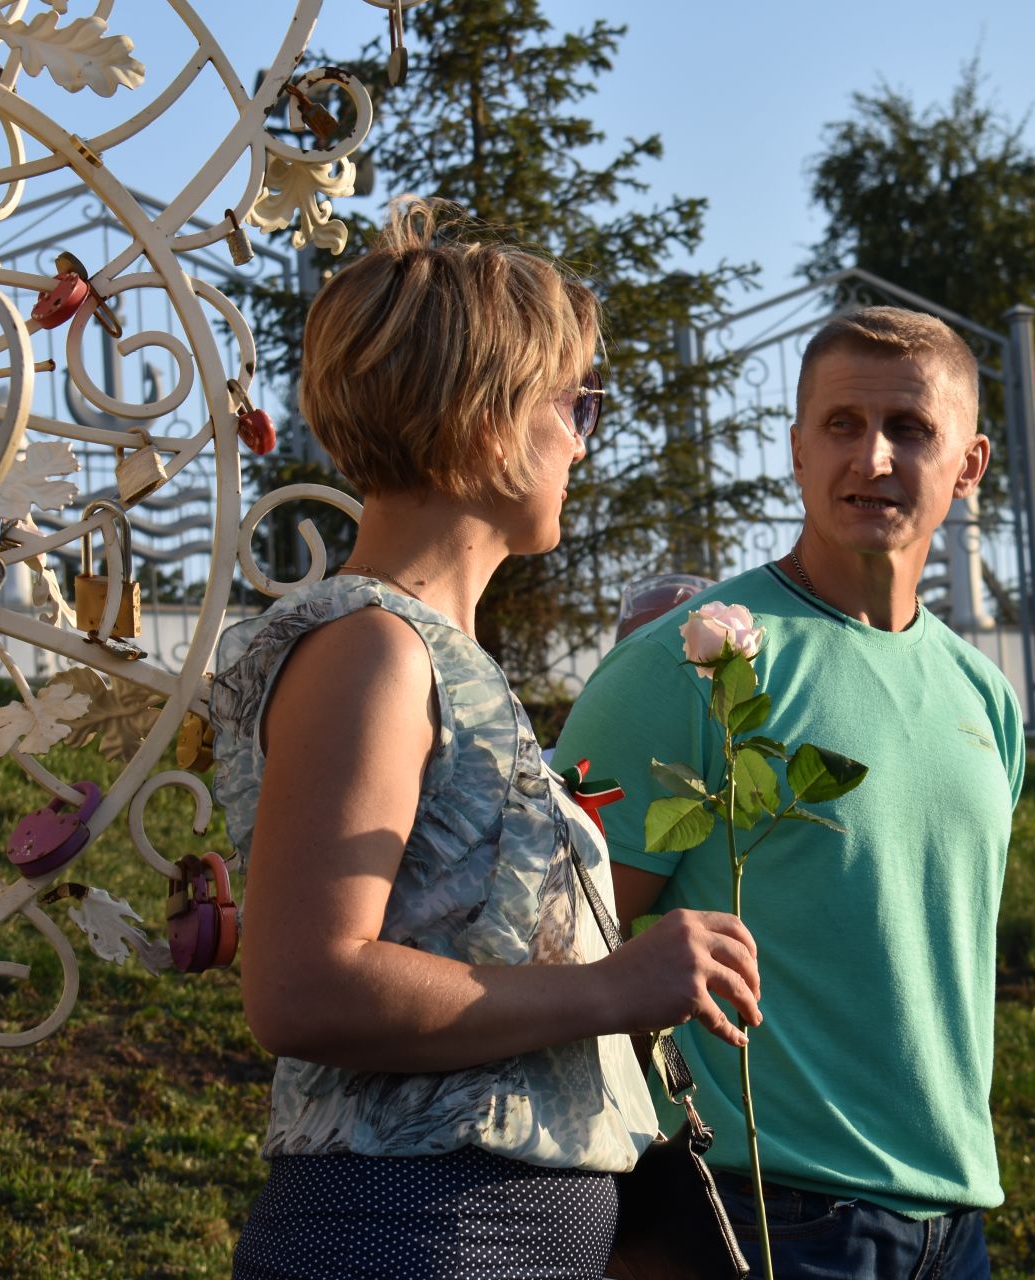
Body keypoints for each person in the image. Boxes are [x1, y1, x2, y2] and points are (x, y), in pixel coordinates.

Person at [214, 199, 762, 1279]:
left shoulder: (432, 654)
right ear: (486, 420)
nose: (583, 439)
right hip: (415, 1236)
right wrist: (617, 983)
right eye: (579, 402)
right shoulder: (373, 650)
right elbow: (302, 984)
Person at [554, 305, 1023, 1279]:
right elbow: (551, 945)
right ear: (796, 450)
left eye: (911, 429)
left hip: (954, 1216)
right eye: (843, 425)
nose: (875, 458)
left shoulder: (987, 699)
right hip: (761, 1208)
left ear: (970, 465)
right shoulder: (689, 663)